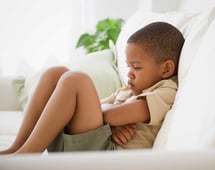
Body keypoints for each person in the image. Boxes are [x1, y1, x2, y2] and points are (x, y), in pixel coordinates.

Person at [0, 21, 184, 154]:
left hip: (104, 158)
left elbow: (110, 114)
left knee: (76, 80)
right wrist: (111, 125)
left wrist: (109, 119)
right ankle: (17, 148)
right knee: (55, 73)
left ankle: (25, 156)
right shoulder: (127, 90)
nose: (129, 73)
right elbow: (101, 110)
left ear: (166, 68)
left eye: (136, 67)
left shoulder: (165, 91)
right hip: (86, 145)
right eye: (128, 66)